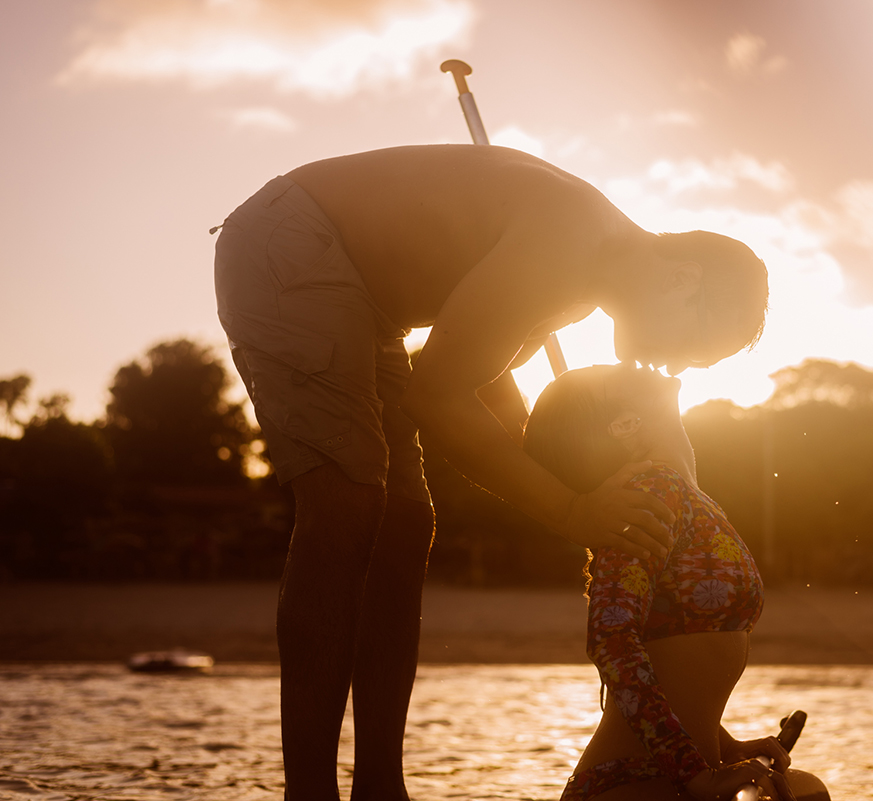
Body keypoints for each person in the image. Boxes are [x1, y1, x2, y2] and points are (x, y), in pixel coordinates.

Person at [211, 144, 769, 801]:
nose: (674, 367)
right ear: (683, 280)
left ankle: (380, 788)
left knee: (406, 520)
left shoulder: (579, 286)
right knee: (348, 502)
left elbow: (483, 386)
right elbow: (437, 398)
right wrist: (571, 510)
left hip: (373, 310)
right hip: (293, 242)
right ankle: (310, 795)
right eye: (694, 347)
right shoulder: (566, 246)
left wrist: (580, 477)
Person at [522, 364, 831, 801]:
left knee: (807, 792)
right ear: (624, 425)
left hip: (688, 769)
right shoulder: (646, 493)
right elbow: (611, 638)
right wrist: (694, 774)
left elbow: (676, 672)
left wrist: (727, 746)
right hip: (637, 777)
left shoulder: (682, 493)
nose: (630, 363)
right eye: (616, 374)